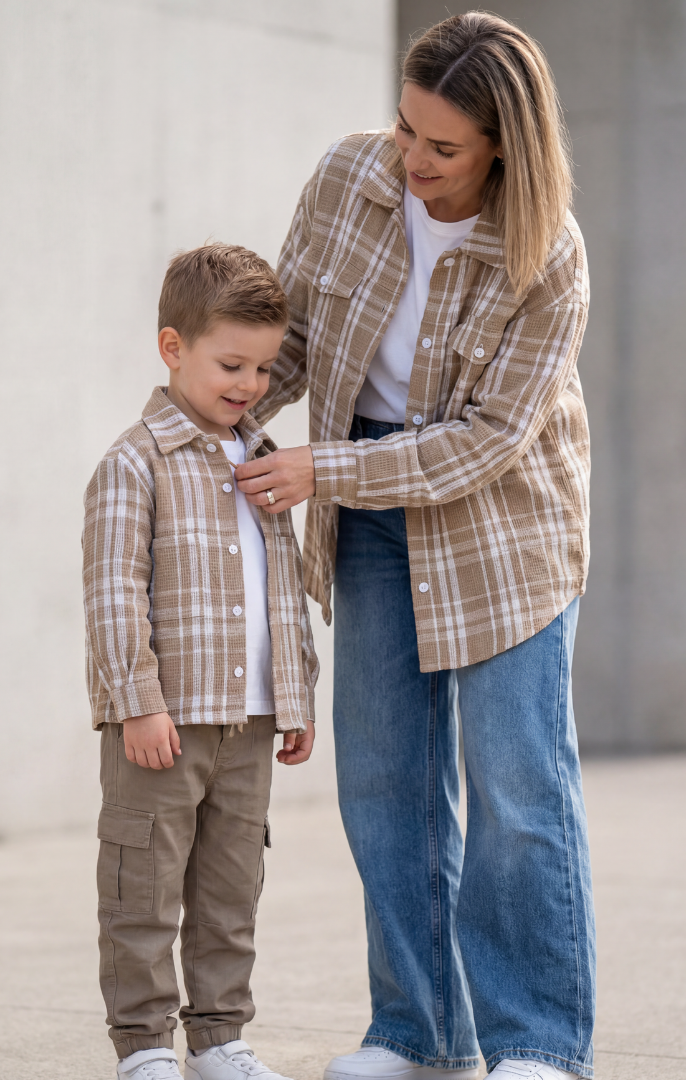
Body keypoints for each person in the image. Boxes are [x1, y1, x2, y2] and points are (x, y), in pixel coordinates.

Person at [235, 13, 595, 1080]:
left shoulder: (552, 253)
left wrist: (320, 473)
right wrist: (215, 420)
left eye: (442, 148)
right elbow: (294, 339)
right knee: (387, 782)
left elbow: (485, 442)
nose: (412, 160)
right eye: (406, 130)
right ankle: (418, 1031)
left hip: (502, 526)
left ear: (503, 148)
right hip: (366, 511)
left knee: (518, 789)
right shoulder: (350, 177)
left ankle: (537, 1040)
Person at [82, 243, 318, 1080]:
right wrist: (137, 702)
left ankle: (222, 1040)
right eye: (231, 363)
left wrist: (296, 698)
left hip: (250, 725)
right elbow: (114, 594)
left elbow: (281, 591)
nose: (250, 384)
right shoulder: (134, 463)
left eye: (262, 367)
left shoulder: (261, 462)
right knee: (143, 889)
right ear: (173, 348)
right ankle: (144, 1046)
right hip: (166, 724)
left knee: (229, 895)